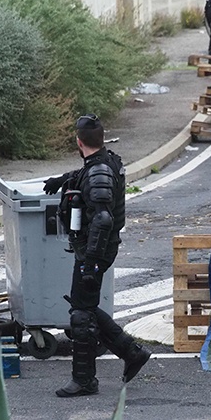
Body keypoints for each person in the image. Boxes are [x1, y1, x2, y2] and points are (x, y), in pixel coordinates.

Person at [43, 114, 151, 397]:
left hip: (96, 250)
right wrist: (63, 179)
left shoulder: (100, 169)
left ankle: (85, 380)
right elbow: (91, 174)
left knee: (81, 313)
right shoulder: (104, 162)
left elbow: (102, 218)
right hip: (95, 248)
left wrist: (90, 262)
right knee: (84, 306)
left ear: (78, 142)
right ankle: (131, 352)